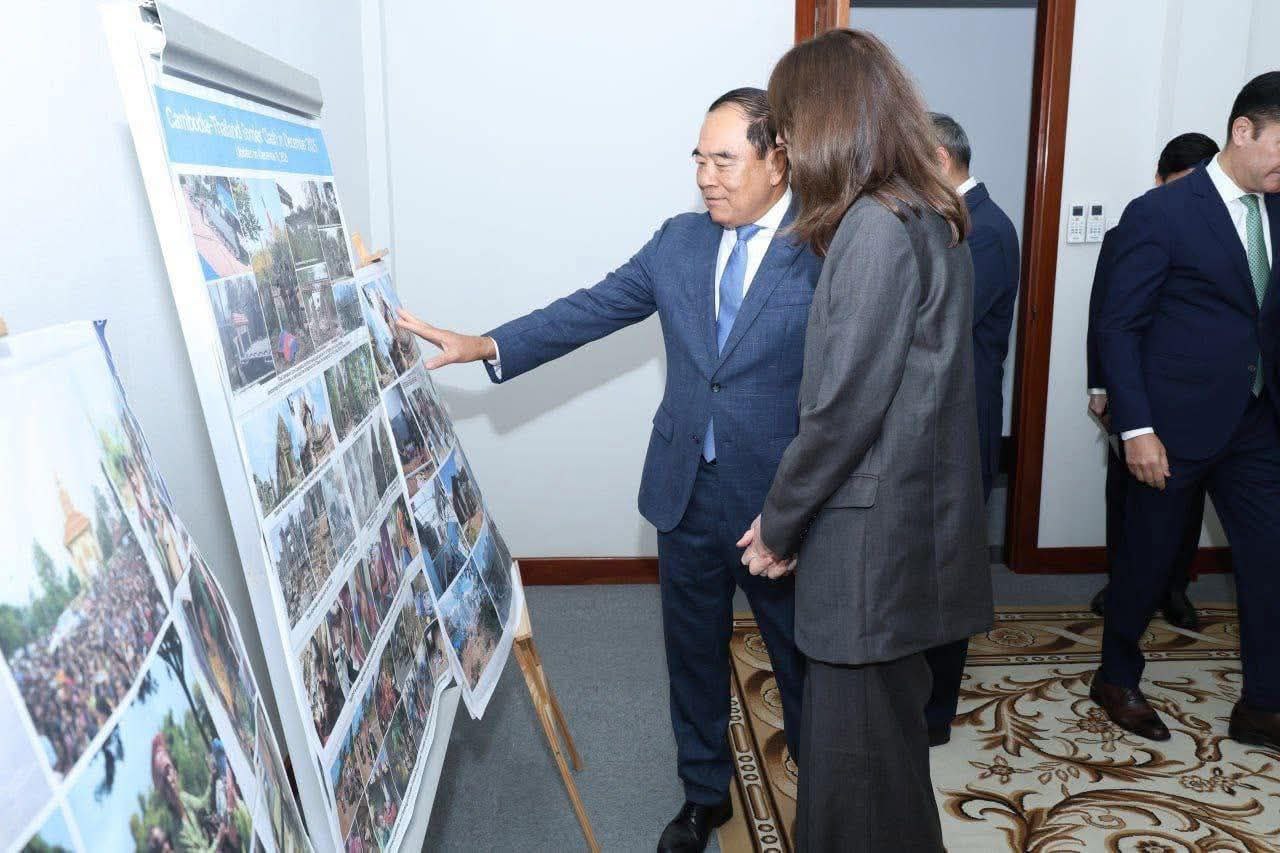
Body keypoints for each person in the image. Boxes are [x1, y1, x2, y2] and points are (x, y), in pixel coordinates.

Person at [395, 88, 821, 852]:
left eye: (724, 160)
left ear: (777, 160)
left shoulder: (823, 248)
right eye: (699, 159)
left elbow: (843, 397)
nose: (706, 177)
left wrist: (800, 505)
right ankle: (704, 795)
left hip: (779, 506)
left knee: (802, 664)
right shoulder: (679, 243)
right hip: (685, 492)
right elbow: (590, 309)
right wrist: (485, 343)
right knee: (691, 656)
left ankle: (827, 798)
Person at [740, 30, 993, 851]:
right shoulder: (924, 211)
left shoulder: (875, 227)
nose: (783, 144)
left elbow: (842, 409)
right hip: (908, 537)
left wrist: (779, 524)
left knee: (852, 782)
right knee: (887, 768)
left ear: (824, 120)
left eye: (785, 125)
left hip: (869, 556)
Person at [1094, 72, 1280, 748]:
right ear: (1243, 130)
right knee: (1147, 562)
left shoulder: (1276, 209)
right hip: (1171, 427)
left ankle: (1263, 703)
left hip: (1257, 423)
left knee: (1270, 560)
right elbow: (1120, 325)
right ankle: (1116, 676)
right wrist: (1137, 427)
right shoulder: (1162, 212)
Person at [1086, 132, 1221, 629]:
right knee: (1126, 494)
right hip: (1133, 387)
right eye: (1179, 184)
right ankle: (1122, 581)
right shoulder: (1129, 230)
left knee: (1187, 499)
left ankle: (1175, 586)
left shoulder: (1223, 235)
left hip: (1194, 394)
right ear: (1159, 180)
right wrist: (1099, 386)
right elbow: (1104, 316)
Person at [925, 111, 1020, 747]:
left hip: (961, 427)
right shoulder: (953, 222)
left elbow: (939, 328)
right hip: (937, 423)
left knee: (950, 573)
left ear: (938, 159)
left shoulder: (984, 231)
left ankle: (933, 717)